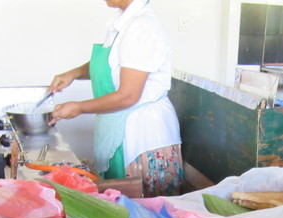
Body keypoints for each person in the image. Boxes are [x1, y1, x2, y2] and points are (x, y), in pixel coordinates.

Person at [47, 0, 183, 197]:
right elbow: (113, 64)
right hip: (120, 125)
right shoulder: (125, 22)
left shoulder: (142, 27)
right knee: (119, 202)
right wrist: (74, 73)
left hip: (142, 135)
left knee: (143, 206)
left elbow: (128, 95)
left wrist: (79, 107)